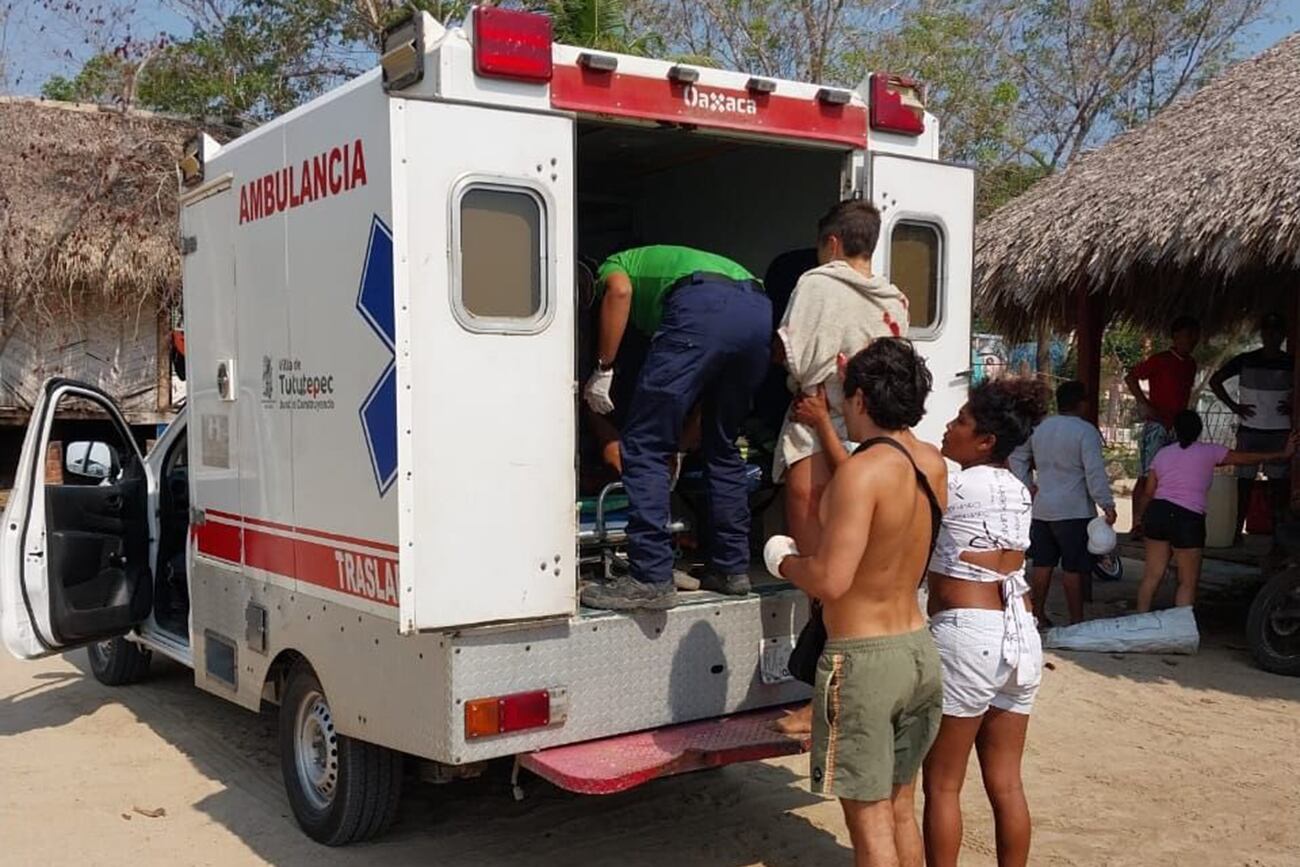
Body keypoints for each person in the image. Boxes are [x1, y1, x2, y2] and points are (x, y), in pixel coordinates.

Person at [764, 338, 946, 867]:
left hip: (864, 661)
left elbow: (830, 581)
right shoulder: (931, 464)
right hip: (917, 648)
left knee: (868, 829)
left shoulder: (859, 476)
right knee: (900, 810)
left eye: (847, 396)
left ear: (861, 399)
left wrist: (784, 560)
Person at [769, 200, 910, 736]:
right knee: (856, 575)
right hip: (871, 442)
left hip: (817, 430)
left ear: (831, 243)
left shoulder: (818, 282)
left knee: (823, 581)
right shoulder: (894, 298)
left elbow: (797, 354)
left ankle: (824, 704)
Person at [580, 246, 771, 610]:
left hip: (701, 304)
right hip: (758, 310)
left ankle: (650, 577)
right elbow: (700, 399)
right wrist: (682, 447)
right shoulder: (676, 260)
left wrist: (603, 368)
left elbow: (619, 292)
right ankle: (730, 568)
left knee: (645, 443)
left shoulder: (614, 265)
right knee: (724, 443)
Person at [923, 379, 1046, 867]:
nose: (950, 428)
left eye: (961, 422)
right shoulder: (1019, 491)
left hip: (967, 633)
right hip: (1020, 633)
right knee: (1007, 782)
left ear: (986, 441)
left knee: (942, 781)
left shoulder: (952, 486)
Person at [1135, 410, 1298, 613]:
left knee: (1152, 576)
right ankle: (1181, 630)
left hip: (1158, 513)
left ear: (1175, 430)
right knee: (1187, 582)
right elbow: (1246, 459)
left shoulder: (1163, 454)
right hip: (1187, 518)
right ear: (1199, 431)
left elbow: (1148, 493)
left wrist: (1140, 518)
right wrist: (1282, 454)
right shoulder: (1209, 451)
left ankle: (1138, 621)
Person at [1009, 380, 1117, 625]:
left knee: (1042, 565)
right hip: (1075, 510)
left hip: (1043, 507)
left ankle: (1037, 614)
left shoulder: (1040, 428)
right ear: (1081, 403)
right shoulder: (1085, 431)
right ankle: (1076, 621)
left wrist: (1027, 487)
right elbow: (1094, 471)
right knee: (1074, 568)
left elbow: (1018, 457)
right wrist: (1106, 504)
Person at [1208, 312, 1294, 549]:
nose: (1272, 335)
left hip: (1279, 431)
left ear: (1283, 335)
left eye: (1276, 331)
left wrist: (1293, 403)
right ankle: (1235, 533)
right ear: (1263, 334)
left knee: (1279, 488)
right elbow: (1215, 380)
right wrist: (1233, 406)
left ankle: (1279, 539)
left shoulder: (1290, 362)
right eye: (1268, 331)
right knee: (1243, 485)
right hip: (1250, 430)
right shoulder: (1245, 359)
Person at [1125, 317, 1200, 536]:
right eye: (1188, 335)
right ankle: (1138, 523)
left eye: (1195, 336)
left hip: (1178, 426)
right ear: (1176, 337)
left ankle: (1161, 522)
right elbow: (1130, 377)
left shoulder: (1191, 364)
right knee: (1147, 474)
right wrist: (1144, 403)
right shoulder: (1161, 360)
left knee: (1171, 475)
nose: (1192, 341)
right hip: (1157, 424)